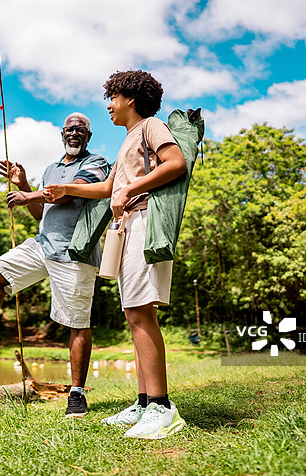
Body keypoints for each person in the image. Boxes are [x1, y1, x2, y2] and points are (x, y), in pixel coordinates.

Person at [44, 70, 187, 439]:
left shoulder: (151, 127)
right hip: (126, 229)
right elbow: (110, 187)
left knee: (142, 312)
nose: (109, 104)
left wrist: (130, 190)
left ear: (131, 100)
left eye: (113, 97)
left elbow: (175, 164)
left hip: (143, 223)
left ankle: (161, 407)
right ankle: (143, 402)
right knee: (132, 312)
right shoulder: (128, 139)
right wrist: (63, 188)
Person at [0, 112, 109, 418]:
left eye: (80, 130)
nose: (74, 133)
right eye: (69, 129)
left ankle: (77, 393)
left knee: (77, 322)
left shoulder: (95, 162)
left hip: (75, 251)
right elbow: (40, 214)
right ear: (62, 133)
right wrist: (25, 184)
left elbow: (71, 192)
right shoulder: (52, 168)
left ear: (88, 136)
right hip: (42, 244)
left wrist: (28, 192)